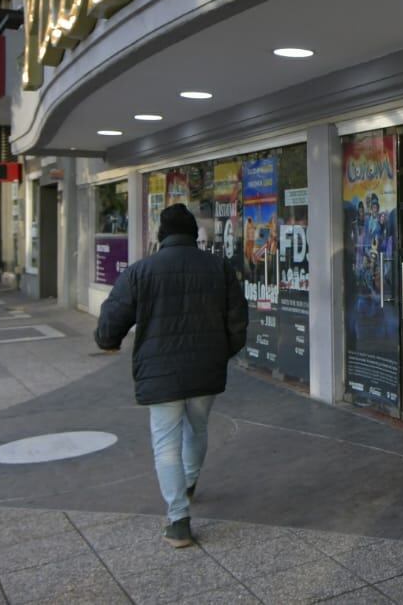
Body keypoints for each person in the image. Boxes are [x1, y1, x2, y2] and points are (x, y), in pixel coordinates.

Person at [95, 203, 248, 548]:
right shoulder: (218, 268)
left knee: (166, 443)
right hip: (205, 371)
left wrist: (107, 341)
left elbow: (109, 326)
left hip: (160, 374)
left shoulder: (140, 271)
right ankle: (190, 481)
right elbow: (238, 324)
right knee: (197, 428)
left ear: (161, 235)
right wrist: (218, 354)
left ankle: (178, 520)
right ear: (194, 234)